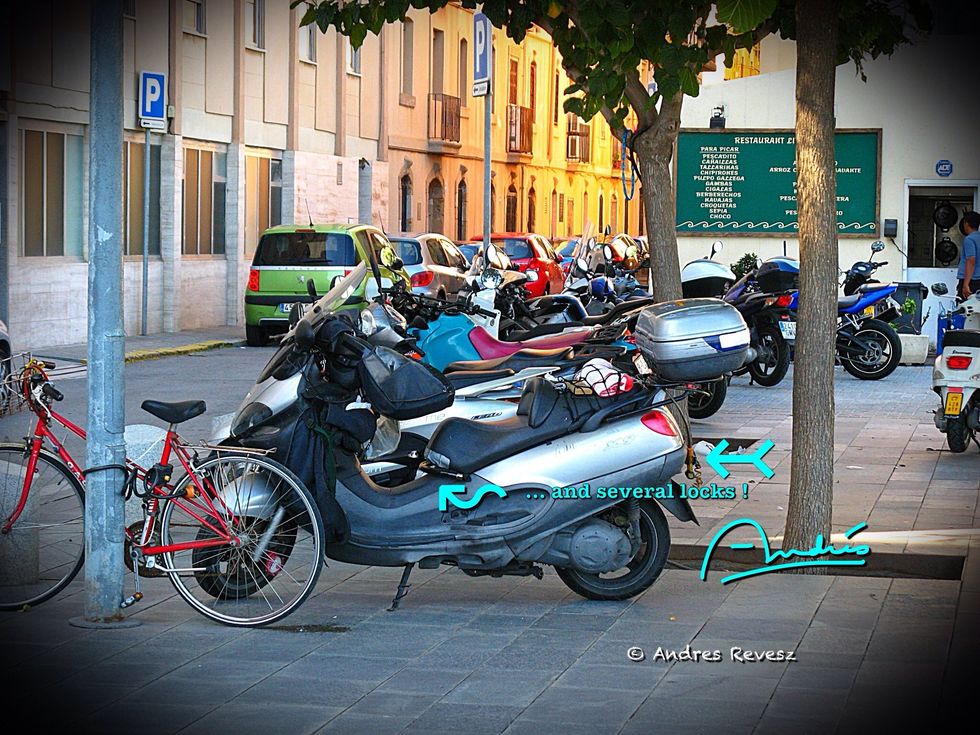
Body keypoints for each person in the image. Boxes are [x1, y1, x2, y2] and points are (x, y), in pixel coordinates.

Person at [958, 211, 980, 299]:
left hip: (972, 281)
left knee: (965, 306)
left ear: (966, 223)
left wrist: (966, 284)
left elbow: (971, 260)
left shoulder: (969, 239)